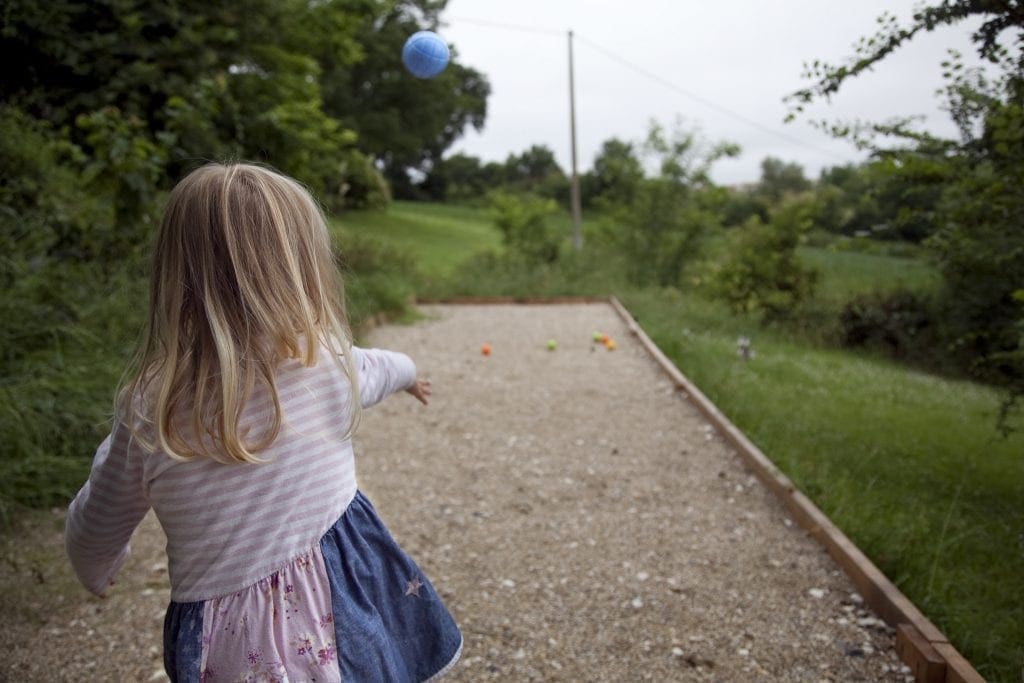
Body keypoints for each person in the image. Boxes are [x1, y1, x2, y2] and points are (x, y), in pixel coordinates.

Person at [65, 162, 462, 682]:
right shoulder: (324, 361)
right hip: (339, 612)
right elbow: (380, 367)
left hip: (228, 647)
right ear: (302, 269)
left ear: (176, 273)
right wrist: (410, 375)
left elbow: (101, 513)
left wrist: (96, 568)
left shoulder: (150, 404)